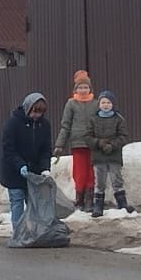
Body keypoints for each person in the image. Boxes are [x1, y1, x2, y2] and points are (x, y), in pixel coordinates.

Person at [0, 92, 53, 228]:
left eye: (40, 113)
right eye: (34, 112)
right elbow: (8, 149)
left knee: (34, 202)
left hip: (33, 172)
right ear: (27, 108)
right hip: (14, 171)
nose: (36, 115)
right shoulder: (13, 123)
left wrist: (45, 168)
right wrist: (20, 164)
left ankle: (34, 231)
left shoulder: (44, 125)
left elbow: (45, 150)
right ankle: (18, 232)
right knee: (17, 200)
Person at [53, 69, 98, 211]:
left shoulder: (96, 104)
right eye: (80, 87)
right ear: (75, 89)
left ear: (90, 88)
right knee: (79, 172)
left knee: (91, 172)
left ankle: (90, 199)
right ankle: (79, 199)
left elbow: (101, 123)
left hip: (92, 143)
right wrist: (60, 144)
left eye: (85, 87)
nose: (83, 90)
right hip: (77, 143)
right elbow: (65, 125)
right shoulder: (71, 104)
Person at [84, 90, 132, 218]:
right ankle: (98, 206)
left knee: (117, 180)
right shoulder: (93, 119)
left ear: (113, 104)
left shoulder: (119, 119)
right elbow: (87, 137)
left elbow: (124, 137)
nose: (106, 105)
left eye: (108, 102)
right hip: (98, 156)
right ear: (99, 104)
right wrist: (99, 143)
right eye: (103, 102)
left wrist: (112, 145)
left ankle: (122, 204)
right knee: (100, 182)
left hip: (114, 155)